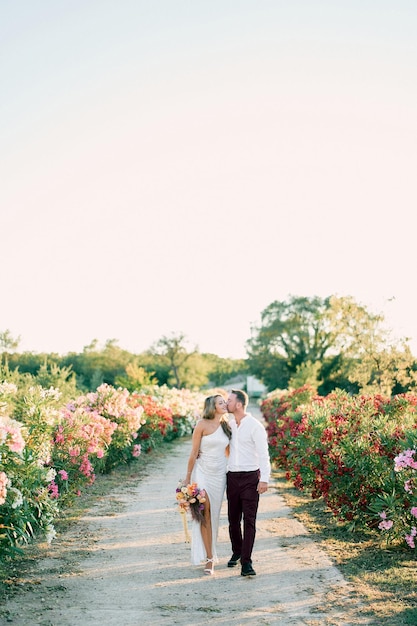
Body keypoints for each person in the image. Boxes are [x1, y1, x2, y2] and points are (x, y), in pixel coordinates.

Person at [184, 394, 231, 575]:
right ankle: (210, 559)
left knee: (215, 516)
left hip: (219, 475)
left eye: (225, 402)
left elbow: (229, 451)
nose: (225, 404)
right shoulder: (202, 425)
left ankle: (211, 552)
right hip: (202, 473)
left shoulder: (226, 426)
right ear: (212, 407)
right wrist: (188, 478)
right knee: (205, 513)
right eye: (221, 403)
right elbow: (193, 453)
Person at [226, 389, 271, 577]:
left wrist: (265, 479)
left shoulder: (255, 426)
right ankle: (237, 550)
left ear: (238, 404)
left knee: (249, 520)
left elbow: (264, 454)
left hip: (250, 478)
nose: (226, 403)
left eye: (229, 400)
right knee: (233, 520)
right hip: (232, 477)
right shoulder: (228, 425)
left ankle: (246, 562)